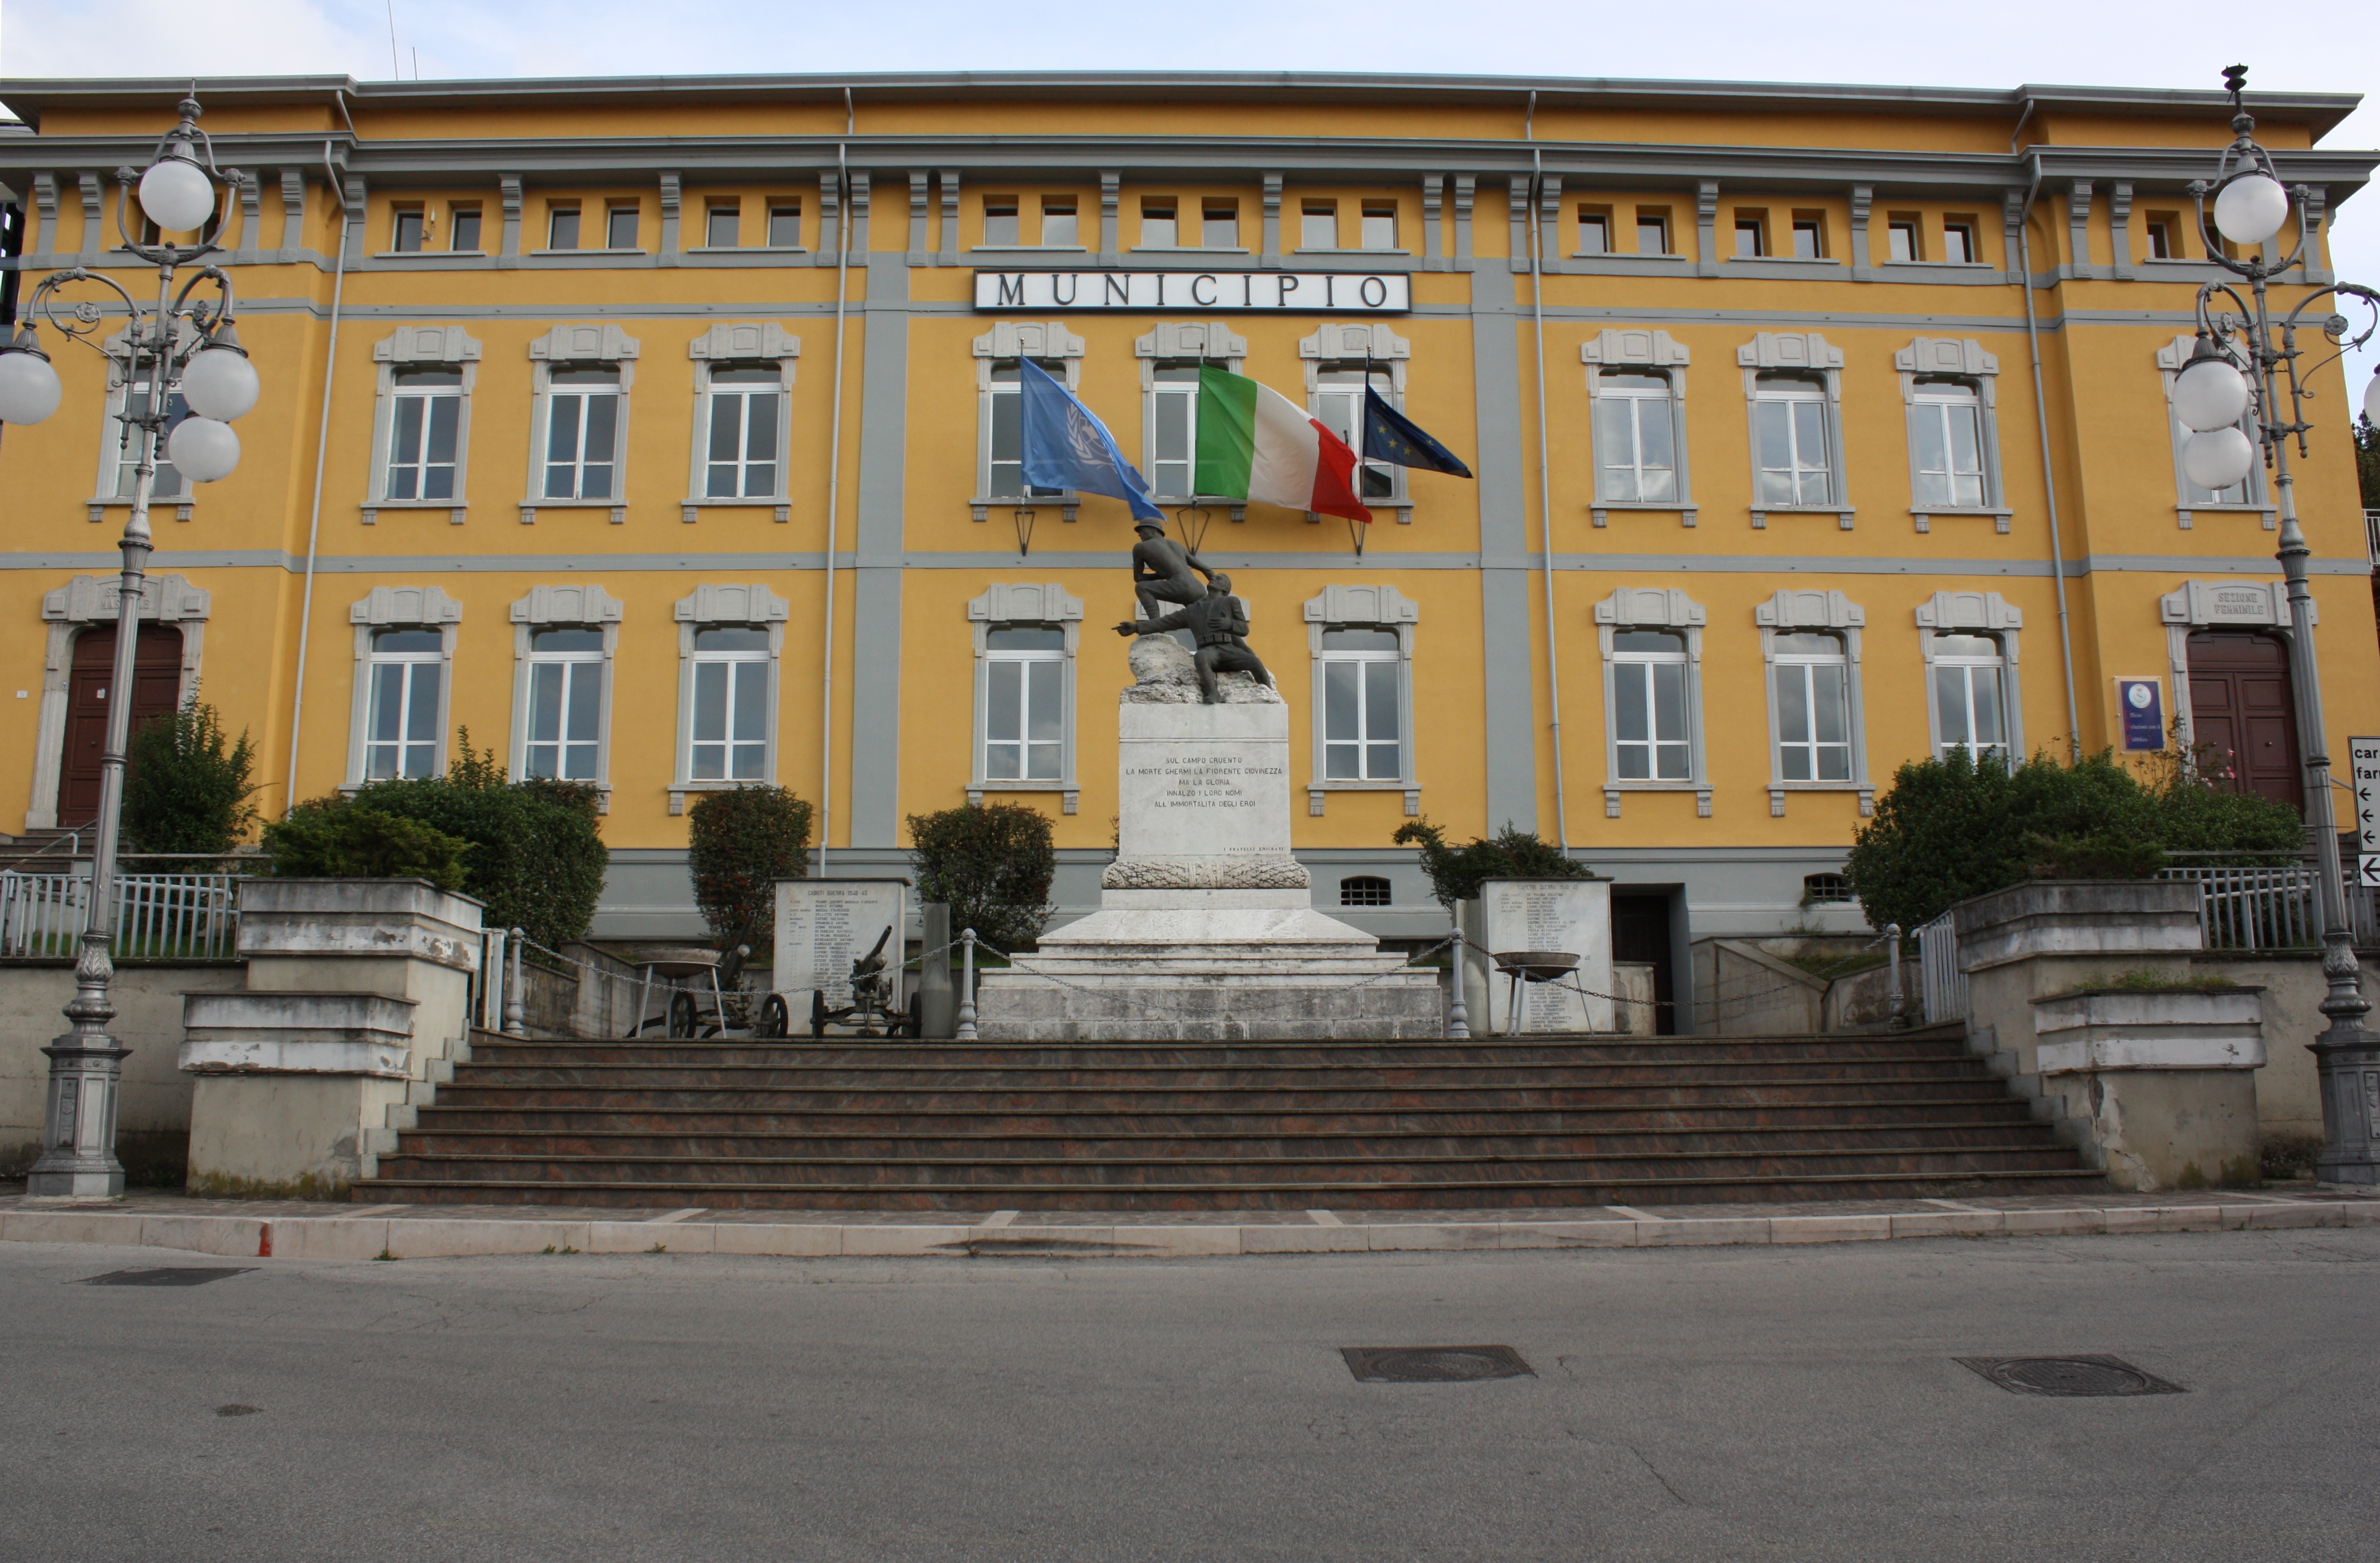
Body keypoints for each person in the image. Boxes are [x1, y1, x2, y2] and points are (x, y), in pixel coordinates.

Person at [1114, 573, 1274, 704]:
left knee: (1255, 662)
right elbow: (1164, 623)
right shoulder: (1192, 610)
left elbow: (1244, 629)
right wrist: (1136, 628)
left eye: (1219, 578)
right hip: (1209, 651)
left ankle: (1270, 695)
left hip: (1227, 649)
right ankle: (1212, 693)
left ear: (1225, 588)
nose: (1213, 578)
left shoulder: (1230, 602)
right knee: (1201, 656)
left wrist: (1229, 624)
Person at [1124, 520, 1213, 621]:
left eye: (1142, 531)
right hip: (1198, 588)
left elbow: (1139, 578)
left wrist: (1160, 575)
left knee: (1141, 588)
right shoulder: (1176, 545)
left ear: (1153, 530)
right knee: (1202, 621)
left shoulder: (1140, 547)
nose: (1139, 535)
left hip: (1179, 585)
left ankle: (1155, 625)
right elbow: (1206, 569)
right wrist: (1220, 596)